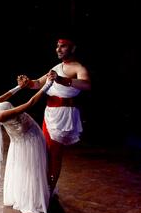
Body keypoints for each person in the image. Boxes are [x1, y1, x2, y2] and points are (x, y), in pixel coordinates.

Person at [0, 78, 54, 213]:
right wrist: (48, 84)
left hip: (20, 134)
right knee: (29, 170)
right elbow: (29, 104)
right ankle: (31, 198)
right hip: (28, 136)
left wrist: (18, 87)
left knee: (25, 169)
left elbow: (1, 98)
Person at [17, 37, 91, 195]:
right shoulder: (56, 67)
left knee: (54, 154)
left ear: (73, 48)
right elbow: (38, 83)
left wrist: (63, 80)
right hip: (49, 114)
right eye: (57, 46)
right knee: (46, 152)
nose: (58, 49)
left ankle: (48, 190)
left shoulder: (78, 67)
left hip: (63, 115)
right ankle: (45, 186)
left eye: (62, 46)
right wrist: (27, 83)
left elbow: (86, 84)